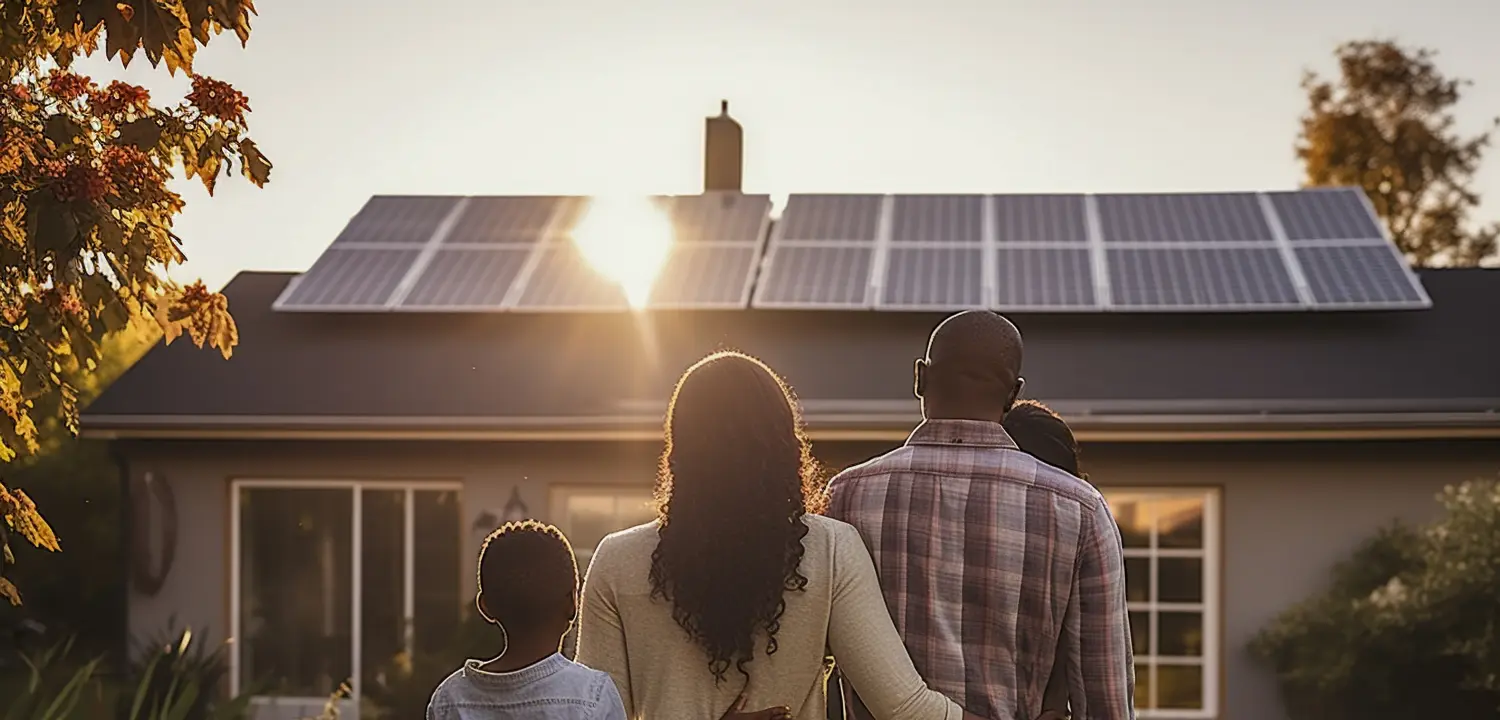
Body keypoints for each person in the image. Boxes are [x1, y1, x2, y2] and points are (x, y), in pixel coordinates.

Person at [576, 351, 989, 720]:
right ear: (784, 446)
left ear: (678, 447)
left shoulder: (617, 561)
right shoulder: (829, 551)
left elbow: (593, 716)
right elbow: (905, 708)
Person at [825, 311, 1135, 720]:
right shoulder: (1080, 510)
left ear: (920, 377)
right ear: (1013, 394)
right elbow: (1105, 701)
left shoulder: (848, 495)